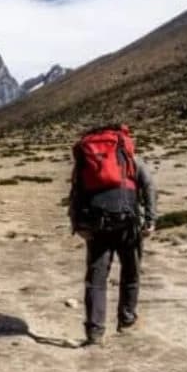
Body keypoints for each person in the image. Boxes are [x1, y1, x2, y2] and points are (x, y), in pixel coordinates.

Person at [68, 124, 158, 347]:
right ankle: (127, 322)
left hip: (97, 226)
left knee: (96, 280)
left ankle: (95, 332)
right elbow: (149, 185)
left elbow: (76, 191)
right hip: (128, 223)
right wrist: (150, 219)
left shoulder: (87, 160)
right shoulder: (127, 156)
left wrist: (77, 224)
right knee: (131, 273)